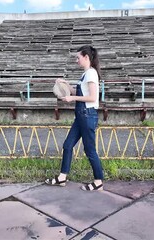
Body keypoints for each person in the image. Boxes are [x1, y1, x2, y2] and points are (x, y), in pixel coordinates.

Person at [45, 45, 104, 191]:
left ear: (86, 57)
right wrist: (64, 83)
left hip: (87, 115)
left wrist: (72, 98)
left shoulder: (91, 74)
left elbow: (92, 97)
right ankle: (62, 177)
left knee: (90, 150)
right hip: (81, 116)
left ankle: (98, 181)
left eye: (78, 57)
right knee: (67, 145)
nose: (76, 60)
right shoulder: (86, 74)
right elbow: (77, 91)